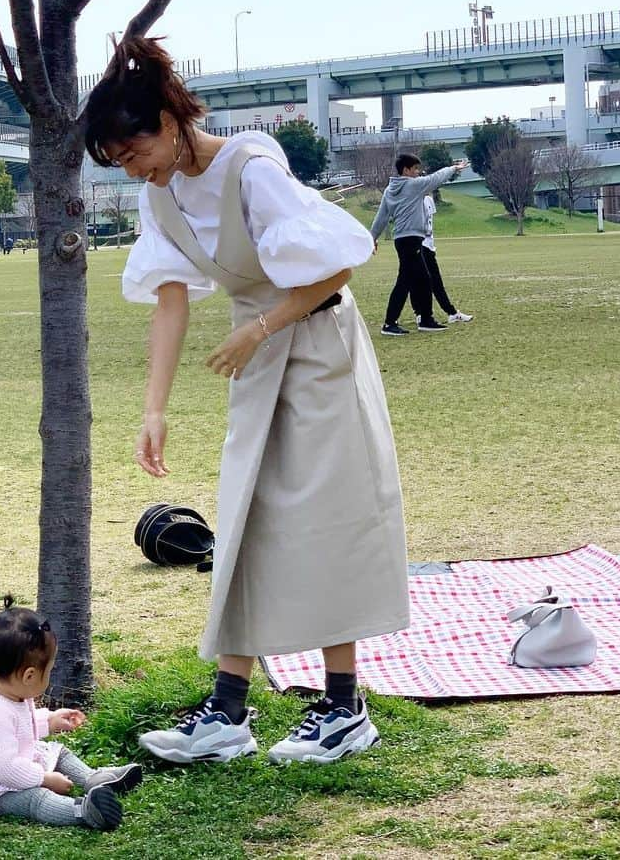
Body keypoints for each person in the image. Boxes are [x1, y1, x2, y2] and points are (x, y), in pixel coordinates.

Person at [85, 37, 408, 767]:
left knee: (328, 516)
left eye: (131, 151)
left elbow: (336, 271)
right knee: (241, 517)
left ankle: (344, 705)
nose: (130, 169)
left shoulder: (252, 166)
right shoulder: (159, 197)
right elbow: (170, 304)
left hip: (319, 343)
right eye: (117, 161)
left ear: (169, 123)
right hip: (256, 352)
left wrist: (260, 326)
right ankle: (228, 712)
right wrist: (153, 409)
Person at [0, 596, 141, 830]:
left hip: (5, 766)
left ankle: (91, 778)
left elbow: (18, 726)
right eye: (48, 671)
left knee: (57, 753)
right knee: (34, 798)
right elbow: (6, 770)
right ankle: (84, 811)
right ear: (28, 676)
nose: (48, 676)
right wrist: (45, 779)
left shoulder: (5, 689)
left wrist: (50, 720)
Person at [369, 153, 467, 336]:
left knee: (423, 279)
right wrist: (454, 168)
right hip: (411, 240)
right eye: (415, 169)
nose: (418, 172)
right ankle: (390, 323)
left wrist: (372, 237)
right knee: (405, 281)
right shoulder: (413, 185)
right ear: (406, 170)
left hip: (403, 240)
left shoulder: (390, 190)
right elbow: (435, 178)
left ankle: (425, 319)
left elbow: (381, 217)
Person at [411, 194, 473, 326]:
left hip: (428, 245)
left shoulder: (428, 199)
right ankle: (449, 312)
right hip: (421, 245)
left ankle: (422, 313)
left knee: (420, 280)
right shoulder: (414, 199)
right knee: (431, 281)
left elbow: (430, 223)